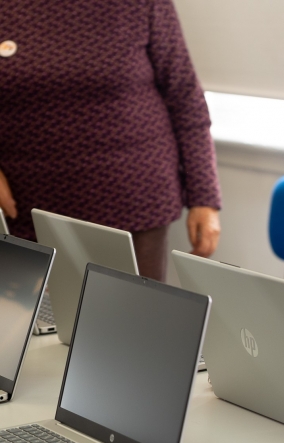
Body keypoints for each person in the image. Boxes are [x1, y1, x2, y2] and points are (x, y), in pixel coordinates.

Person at [0, 0, 221, 282]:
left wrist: (205, 198)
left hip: (135, 203)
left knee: (132, 320)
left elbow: (185, 95)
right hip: (24, 208)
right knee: (31, 321)